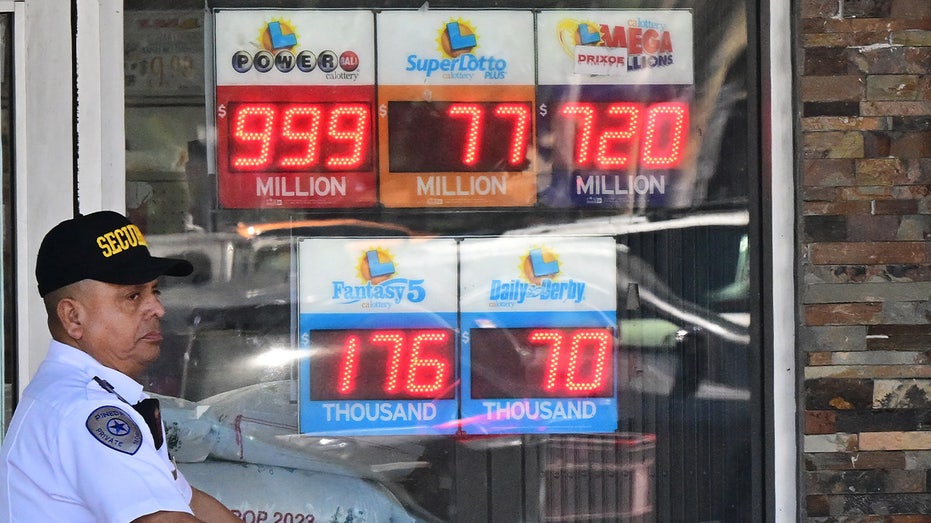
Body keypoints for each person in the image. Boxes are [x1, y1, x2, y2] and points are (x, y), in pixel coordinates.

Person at [0, 211, 241, 522]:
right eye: (132, 296)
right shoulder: (86, 410)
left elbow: (188, 500)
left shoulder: (92, 397)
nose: (158, 308)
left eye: (155, 290)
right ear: (73, 317)